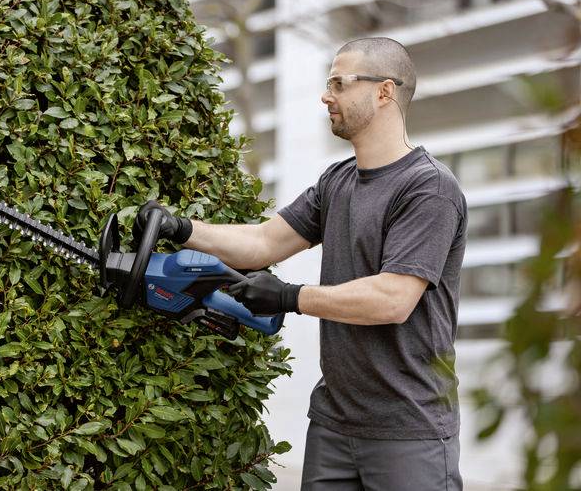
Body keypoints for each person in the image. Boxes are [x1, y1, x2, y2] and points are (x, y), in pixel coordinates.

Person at [133, 37, 466, 490]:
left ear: (385, 92)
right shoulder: (337, 182)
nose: (326, 95)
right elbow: (263, 242)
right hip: (334, 422)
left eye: (339, 83)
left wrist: (290, 298)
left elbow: (393, 298)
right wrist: (181, 227)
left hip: (409, 428)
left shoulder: (428, 189)